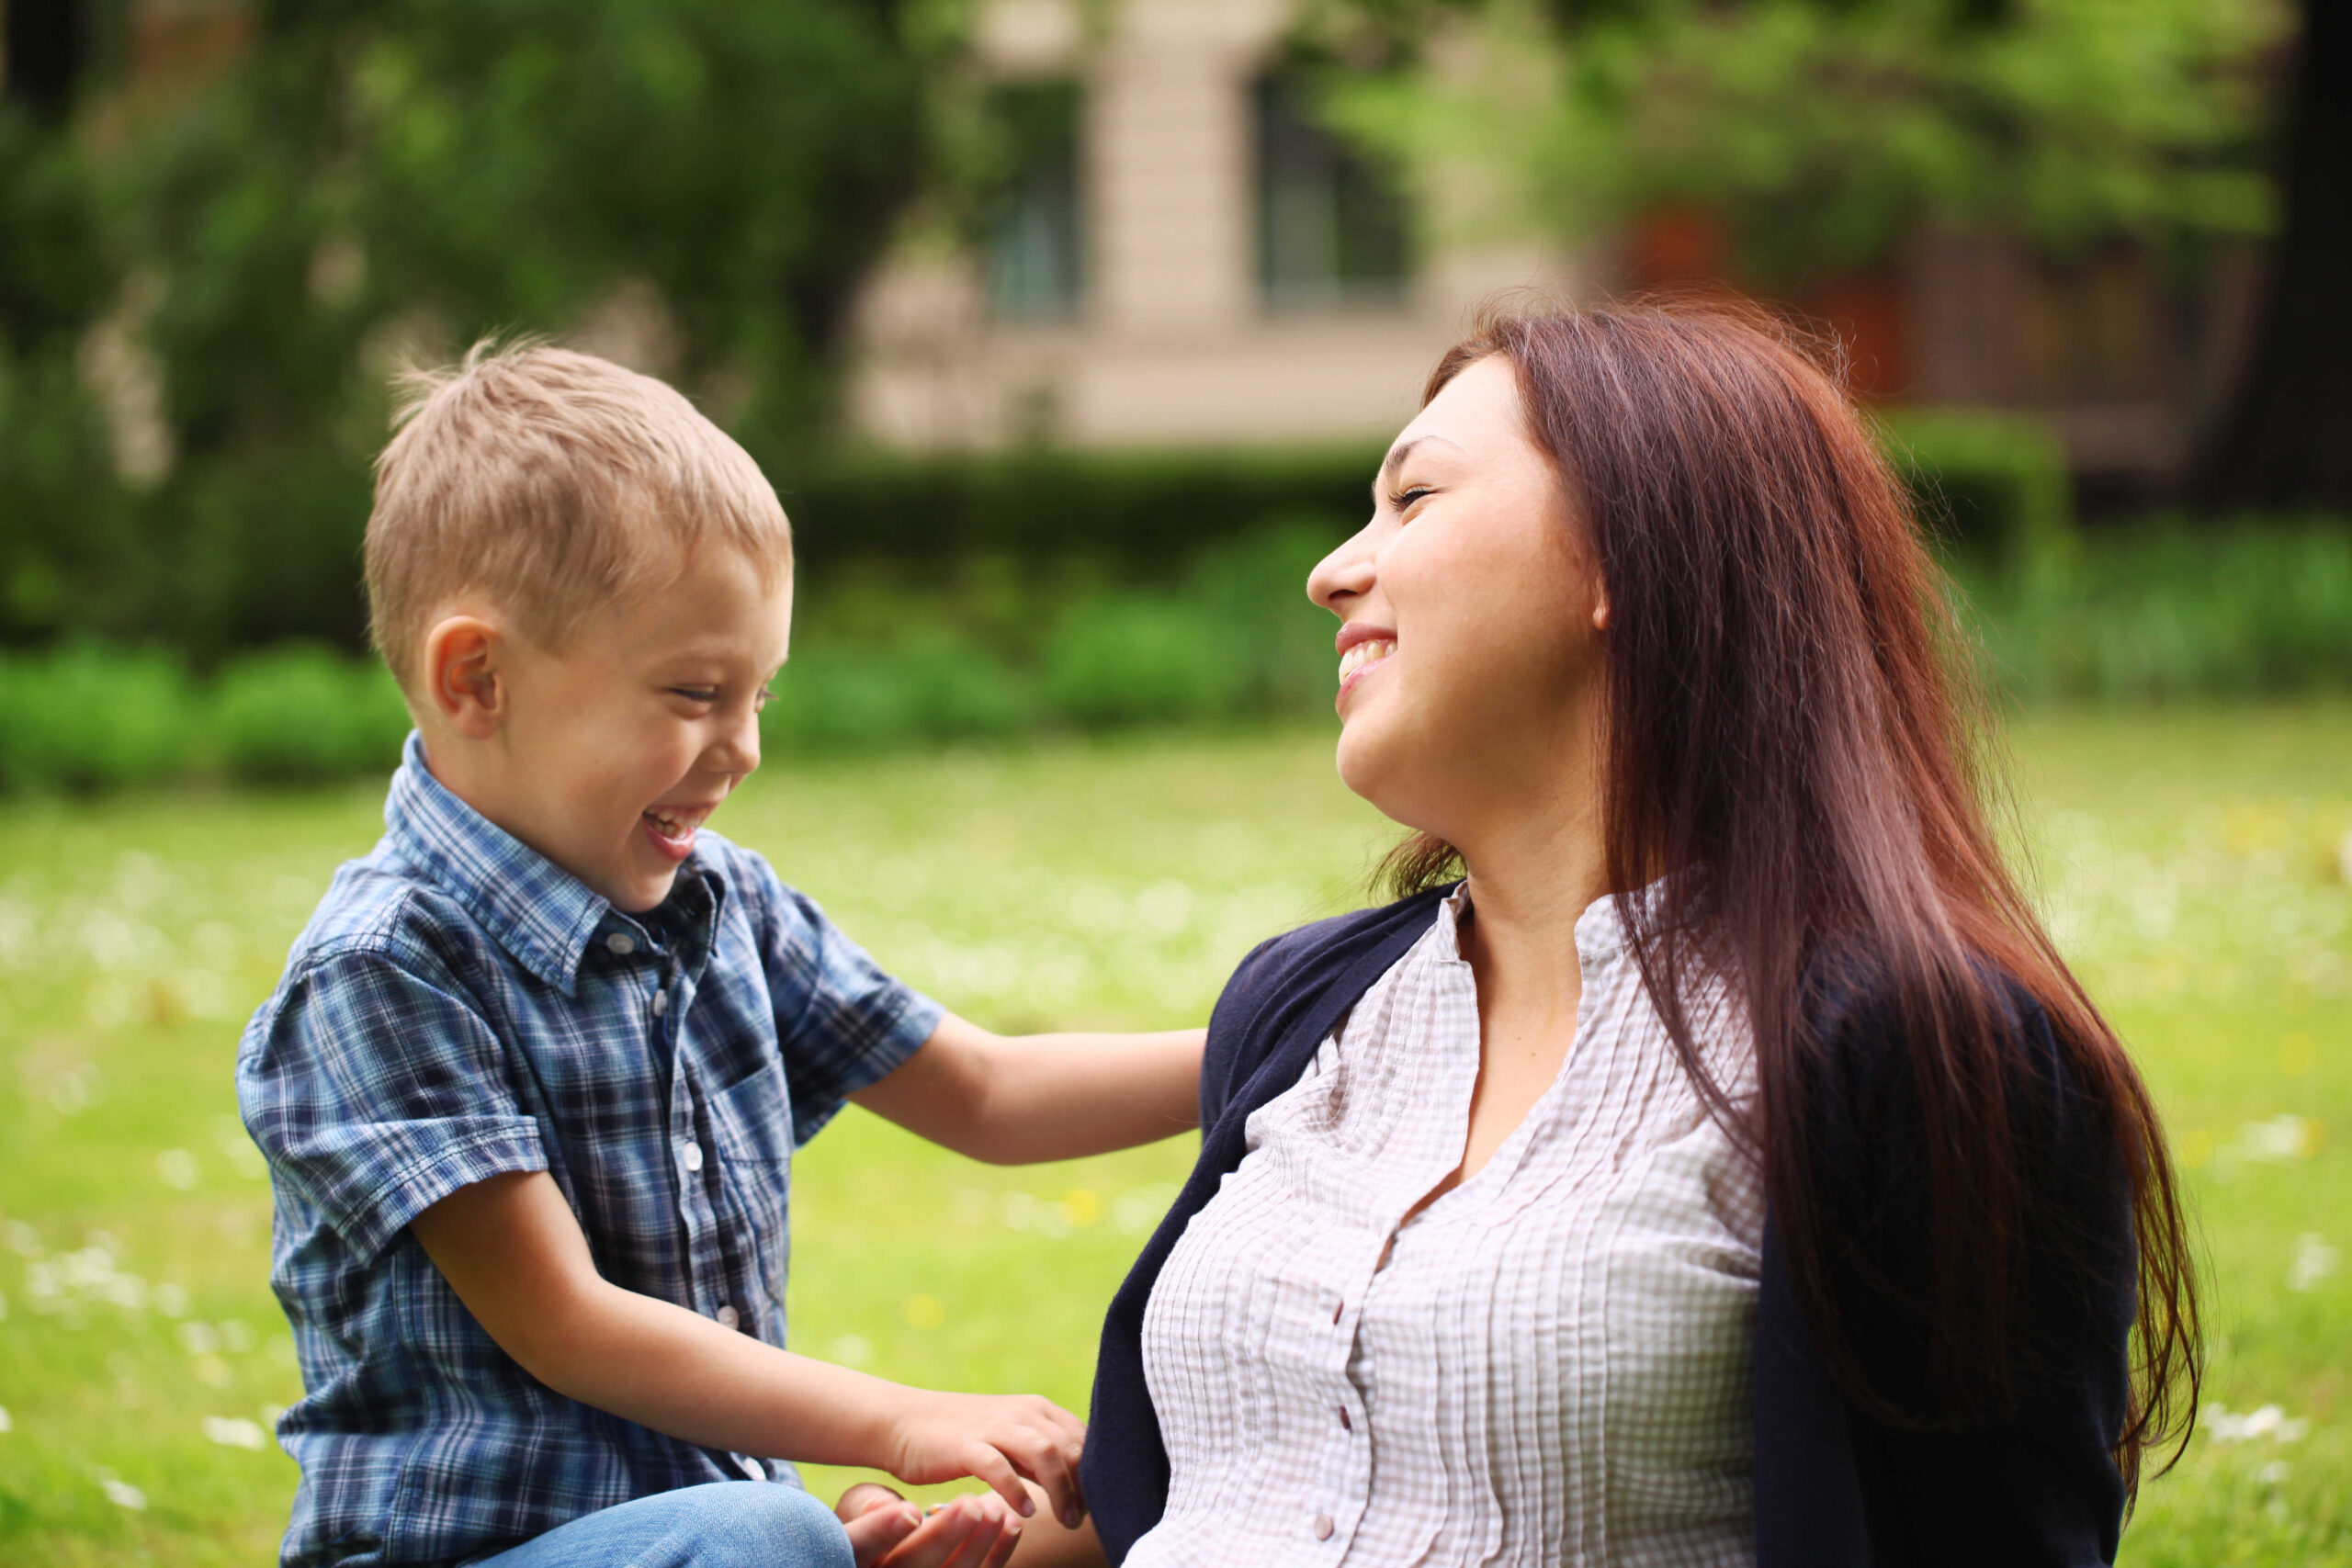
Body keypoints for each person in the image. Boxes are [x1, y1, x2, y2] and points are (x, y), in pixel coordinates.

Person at [1054, 302, 2200, 1567]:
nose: (1333, 570)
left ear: (1623, 557)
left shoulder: (1915, 1054)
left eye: (1414, 499)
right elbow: (1174, 1502)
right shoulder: (1303, 1009)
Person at [236, 342, 1203, 1568]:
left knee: (1113, 1494)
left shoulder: (723, 905)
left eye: (762, 696)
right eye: (696, 693)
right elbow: (568, 1323)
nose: (743, 747)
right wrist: (897, 1421)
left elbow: (988, 1091)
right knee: (761, 1535)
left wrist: (1280, 1033)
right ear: (478, 678)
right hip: (484, 1552)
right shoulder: (386, 970)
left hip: (729, 1540)